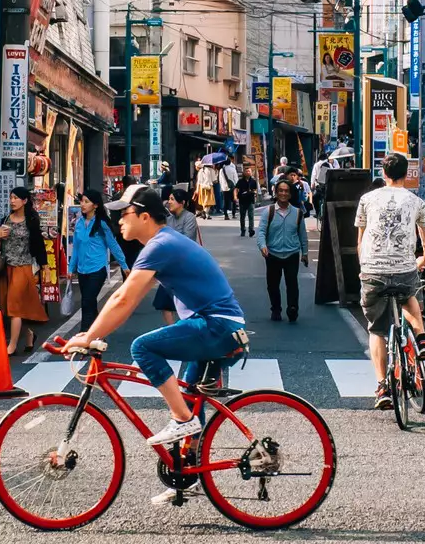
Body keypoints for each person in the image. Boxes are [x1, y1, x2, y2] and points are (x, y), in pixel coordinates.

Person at [67, 186, 247, 448]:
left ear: (144, 216)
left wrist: (89, 336)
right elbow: (126, 303)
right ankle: (189, 476)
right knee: (189, 402)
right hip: (221, 326)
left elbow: (123, 299)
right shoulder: (165, 242)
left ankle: (182, 421)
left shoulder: (160, 245)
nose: (119, 221)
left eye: (124, 213)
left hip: (217, 325)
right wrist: (94, 333)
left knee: (142, 347)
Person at [356, 152, 425, 408]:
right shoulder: (416, 201)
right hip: (403, 268)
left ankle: (382, 387)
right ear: (407, 174)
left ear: (383, 173)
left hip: (372, 270)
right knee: (409, 296)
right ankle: (421, 339)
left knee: (377, 329)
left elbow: (361, 241)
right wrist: (423, 259)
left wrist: (365, 267)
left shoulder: (367, 199)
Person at [0, 186, 49, 355]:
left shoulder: (31, 220)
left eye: (16, 198)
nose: (12, 201)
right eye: (11, 198)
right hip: (6, 267)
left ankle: (12, 346)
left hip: (23, 267)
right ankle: (30, 334)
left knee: (14, 305)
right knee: (12, 304)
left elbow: (38, 243)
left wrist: (44, 265)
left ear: (25, 201)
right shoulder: (5, 220)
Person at [68, 191, 129, 320]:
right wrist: (70, 268)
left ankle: (84, 333)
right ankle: (97, 336)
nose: (82, 205)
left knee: (87, 302)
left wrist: (124, 265)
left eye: (86, 202)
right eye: (82, 201)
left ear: (95, 205)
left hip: (97, 269)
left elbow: (113, 245)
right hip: (82, 270)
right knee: (89, 303)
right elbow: (76, 248)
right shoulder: (78, 223)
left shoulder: (102, 224)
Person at [257, 178, 309, 322]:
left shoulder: (298, 213)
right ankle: (276, 309)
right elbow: (261, 231)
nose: (283, 193)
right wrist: (262, 246)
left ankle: (293, 309)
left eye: (286, 191)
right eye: (281, 190)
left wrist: (304, 253)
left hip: (292, 253)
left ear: (291, 194)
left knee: (292, 283)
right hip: (272, 253)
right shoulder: (269, 212)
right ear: (276, 193)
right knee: (272, 284)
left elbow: (302, 235)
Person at [152, 189, 205, 323]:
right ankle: (173, 330)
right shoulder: (168, 219)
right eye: (169, 199)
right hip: (170, 267)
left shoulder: (189, 217)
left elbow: (187, 240)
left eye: (172, 199)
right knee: (164, 303)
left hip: (185, 266)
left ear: (182, 203)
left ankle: (189, 329)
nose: (169, 202)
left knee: (187, 303)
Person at [234, 164, 259, 237]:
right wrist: (235, 196)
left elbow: (255, 190)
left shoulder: (253, 181)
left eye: (249, 171)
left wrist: (255, 194)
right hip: (242, 200)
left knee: (251, 216)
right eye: (246, 171)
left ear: (251, 172)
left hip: (251, 200)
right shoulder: (240, 181)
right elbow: (236, 189)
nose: (248, 172)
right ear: (244, 173)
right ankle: (243, 230)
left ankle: (251, 230)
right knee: (242, 216)